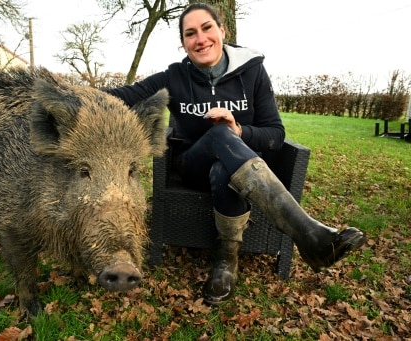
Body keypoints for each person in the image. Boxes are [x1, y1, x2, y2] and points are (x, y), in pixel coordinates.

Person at [106, 2, 366, 304]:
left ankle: (226, 262)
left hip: (239, 170)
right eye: (190, 34)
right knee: (218, 135)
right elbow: (123, 97)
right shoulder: (175, 76)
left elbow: (276, 134)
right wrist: (64, 92)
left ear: (222, 30)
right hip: (193, 166)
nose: (200, 39)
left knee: (224, 168)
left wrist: (239, 130)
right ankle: (309, 234)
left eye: (206, 28)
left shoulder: (252, 72)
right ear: (184, 43)